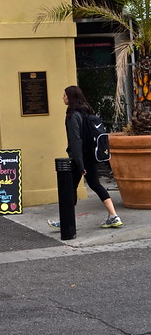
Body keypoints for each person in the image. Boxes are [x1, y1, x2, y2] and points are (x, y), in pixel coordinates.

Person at [48, 85, 123, 231]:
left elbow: (75, 141)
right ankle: (114, 216)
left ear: (71, 98)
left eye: (65, 95)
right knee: (95, 184)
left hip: (80, 158)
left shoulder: (72, 115)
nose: (63, 98)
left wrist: (80, 164)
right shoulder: (87, 111)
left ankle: (65, 220)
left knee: (70, 188)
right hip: (91, 155)